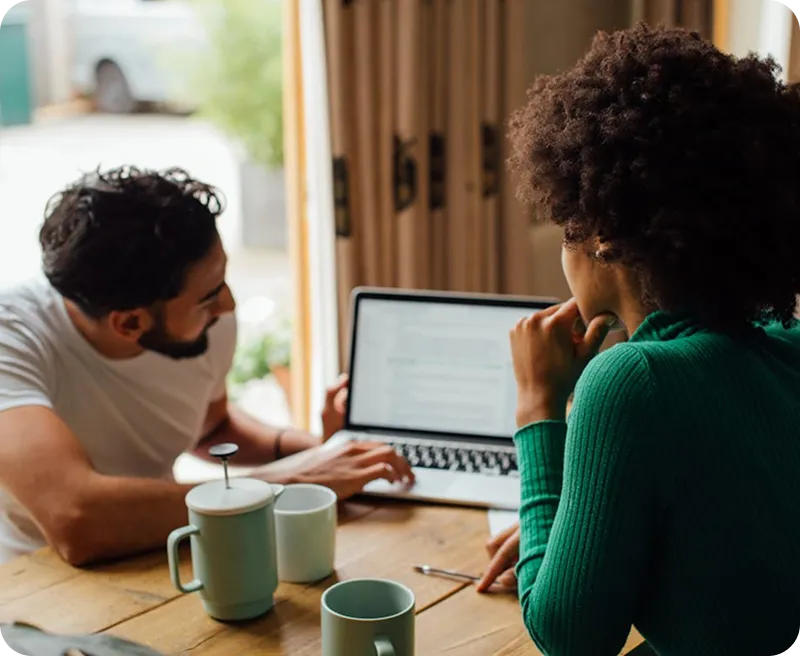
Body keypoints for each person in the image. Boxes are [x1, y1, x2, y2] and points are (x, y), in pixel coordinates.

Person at [477, 23, 800, 656]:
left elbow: (570, 639)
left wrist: (538, 406)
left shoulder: (629, 382)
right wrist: (572, 523)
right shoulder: (786, 343)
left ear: (597, 231)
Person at [0, 166, 413, 567]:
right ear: (129, 323)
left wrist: (325, 452)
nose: (229, 304)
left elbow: (211, 430)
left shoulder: (208, 324)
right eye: (209, 295)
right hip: (36, 588)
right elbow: (75, 517)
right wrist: (292, 483)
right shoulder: (13, 337)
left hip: (166, 552)